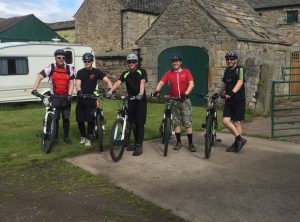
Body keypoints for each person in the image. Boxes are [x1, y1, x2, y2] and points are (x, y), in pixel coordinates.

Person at [106, 53, 147, 156]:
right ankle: (135, 143)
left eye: (133, 62)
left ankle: (139, 145)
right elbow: (118, 83)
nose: (131, 63)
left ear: (137, 62)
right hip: (131, 100)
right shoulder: (125, 73)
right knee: (132, 123)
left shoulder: (141, 71)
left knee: (140, 123)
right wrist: (110, 91)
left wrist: (140, 93)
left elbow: (142, 82)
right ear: (127, 63)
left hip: (140, 100)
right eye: (129, 62)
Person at [153, 54, 196, 152]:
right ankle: (178, 142)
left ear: (180, 62)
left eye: (177, 61)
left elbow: (191, 84)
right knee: (176, 122)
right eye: (173, 61)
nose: (175, 63)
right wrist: (157, 90)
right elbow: (161, 82)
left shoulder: (186, 71)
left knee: (187, 122)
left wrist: (185, 94)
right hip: (174, 100)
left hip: (185, 100)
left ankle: (190, 144)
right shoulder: (169, 73)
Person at [32, 49, 74, 144]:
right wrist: (34, 89)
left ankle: (66, 137)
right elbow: (39, 77)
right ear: (55, 58)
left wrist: (70, 94)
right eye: (59, 57)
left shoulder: (69, 69)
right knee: (55, 118)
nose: (61, 59)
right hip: (54, 97)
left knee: (66, 118)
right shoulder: (50, 67)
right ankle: (55, 138)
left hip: (66, 97)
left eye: (63, 58)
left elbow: (71, 83)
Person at [76, 53, 113, 147]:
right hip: (81, 98)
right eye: (85, 61)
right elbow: (78, 83)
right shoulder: (80, 72)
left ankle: (88, 138)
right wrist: (79, 91)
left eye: (89, 61)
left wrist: (110, 90)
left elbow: (108, 80)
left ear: (92, 61)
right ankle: (83, 136)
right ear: (83, 62)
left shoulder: (96, 72)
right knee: (80, 120)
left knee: (90, 120)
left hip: (91, 99)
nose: (87, 63)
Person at [215, 50, 247, 152]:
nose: (229, 61)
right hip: (228, 100)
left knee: (237, 122)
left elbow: (240, 81)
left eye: (231, 59)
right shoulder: (226, 71)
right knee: (225, 121)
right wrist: (218, 93)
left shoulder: (240, 69)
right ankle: (239, 139)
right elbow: (224, 84)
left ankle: (236, 144)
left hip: (238, 100)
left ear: (235, 60)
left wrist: (232, 93)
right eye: (228, 59)